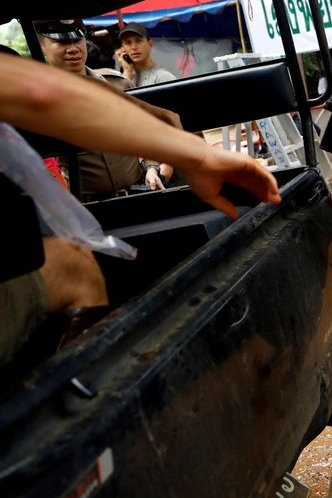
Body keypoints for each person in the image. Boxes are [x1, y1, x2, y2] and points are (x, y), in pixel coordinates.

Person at [0, 51, 281, 366]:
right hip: (92, 201)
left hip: (126, 190)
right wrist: (195, 155)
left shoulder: (113, 78)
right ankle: (78, 397)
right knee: (73, 265)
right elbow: (36, 92)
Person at [35, 19, 175, 195]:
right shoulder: (38, 101)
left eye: (77, 40)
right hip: (89, 206)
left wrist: (152, 167)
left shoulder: (118, 84)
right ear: (41, 47)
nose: (73, 48)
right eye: (61, 42)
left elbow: (147, 130)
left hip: (139, 193)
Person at [116, 22, 177, 87]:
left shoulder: (163, 77)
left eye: (138, 41)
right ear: (122, 49)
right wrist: (127, 72)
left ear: (150, 44)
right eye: (128, 43)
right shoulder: (128, 76)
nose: (133, 47)